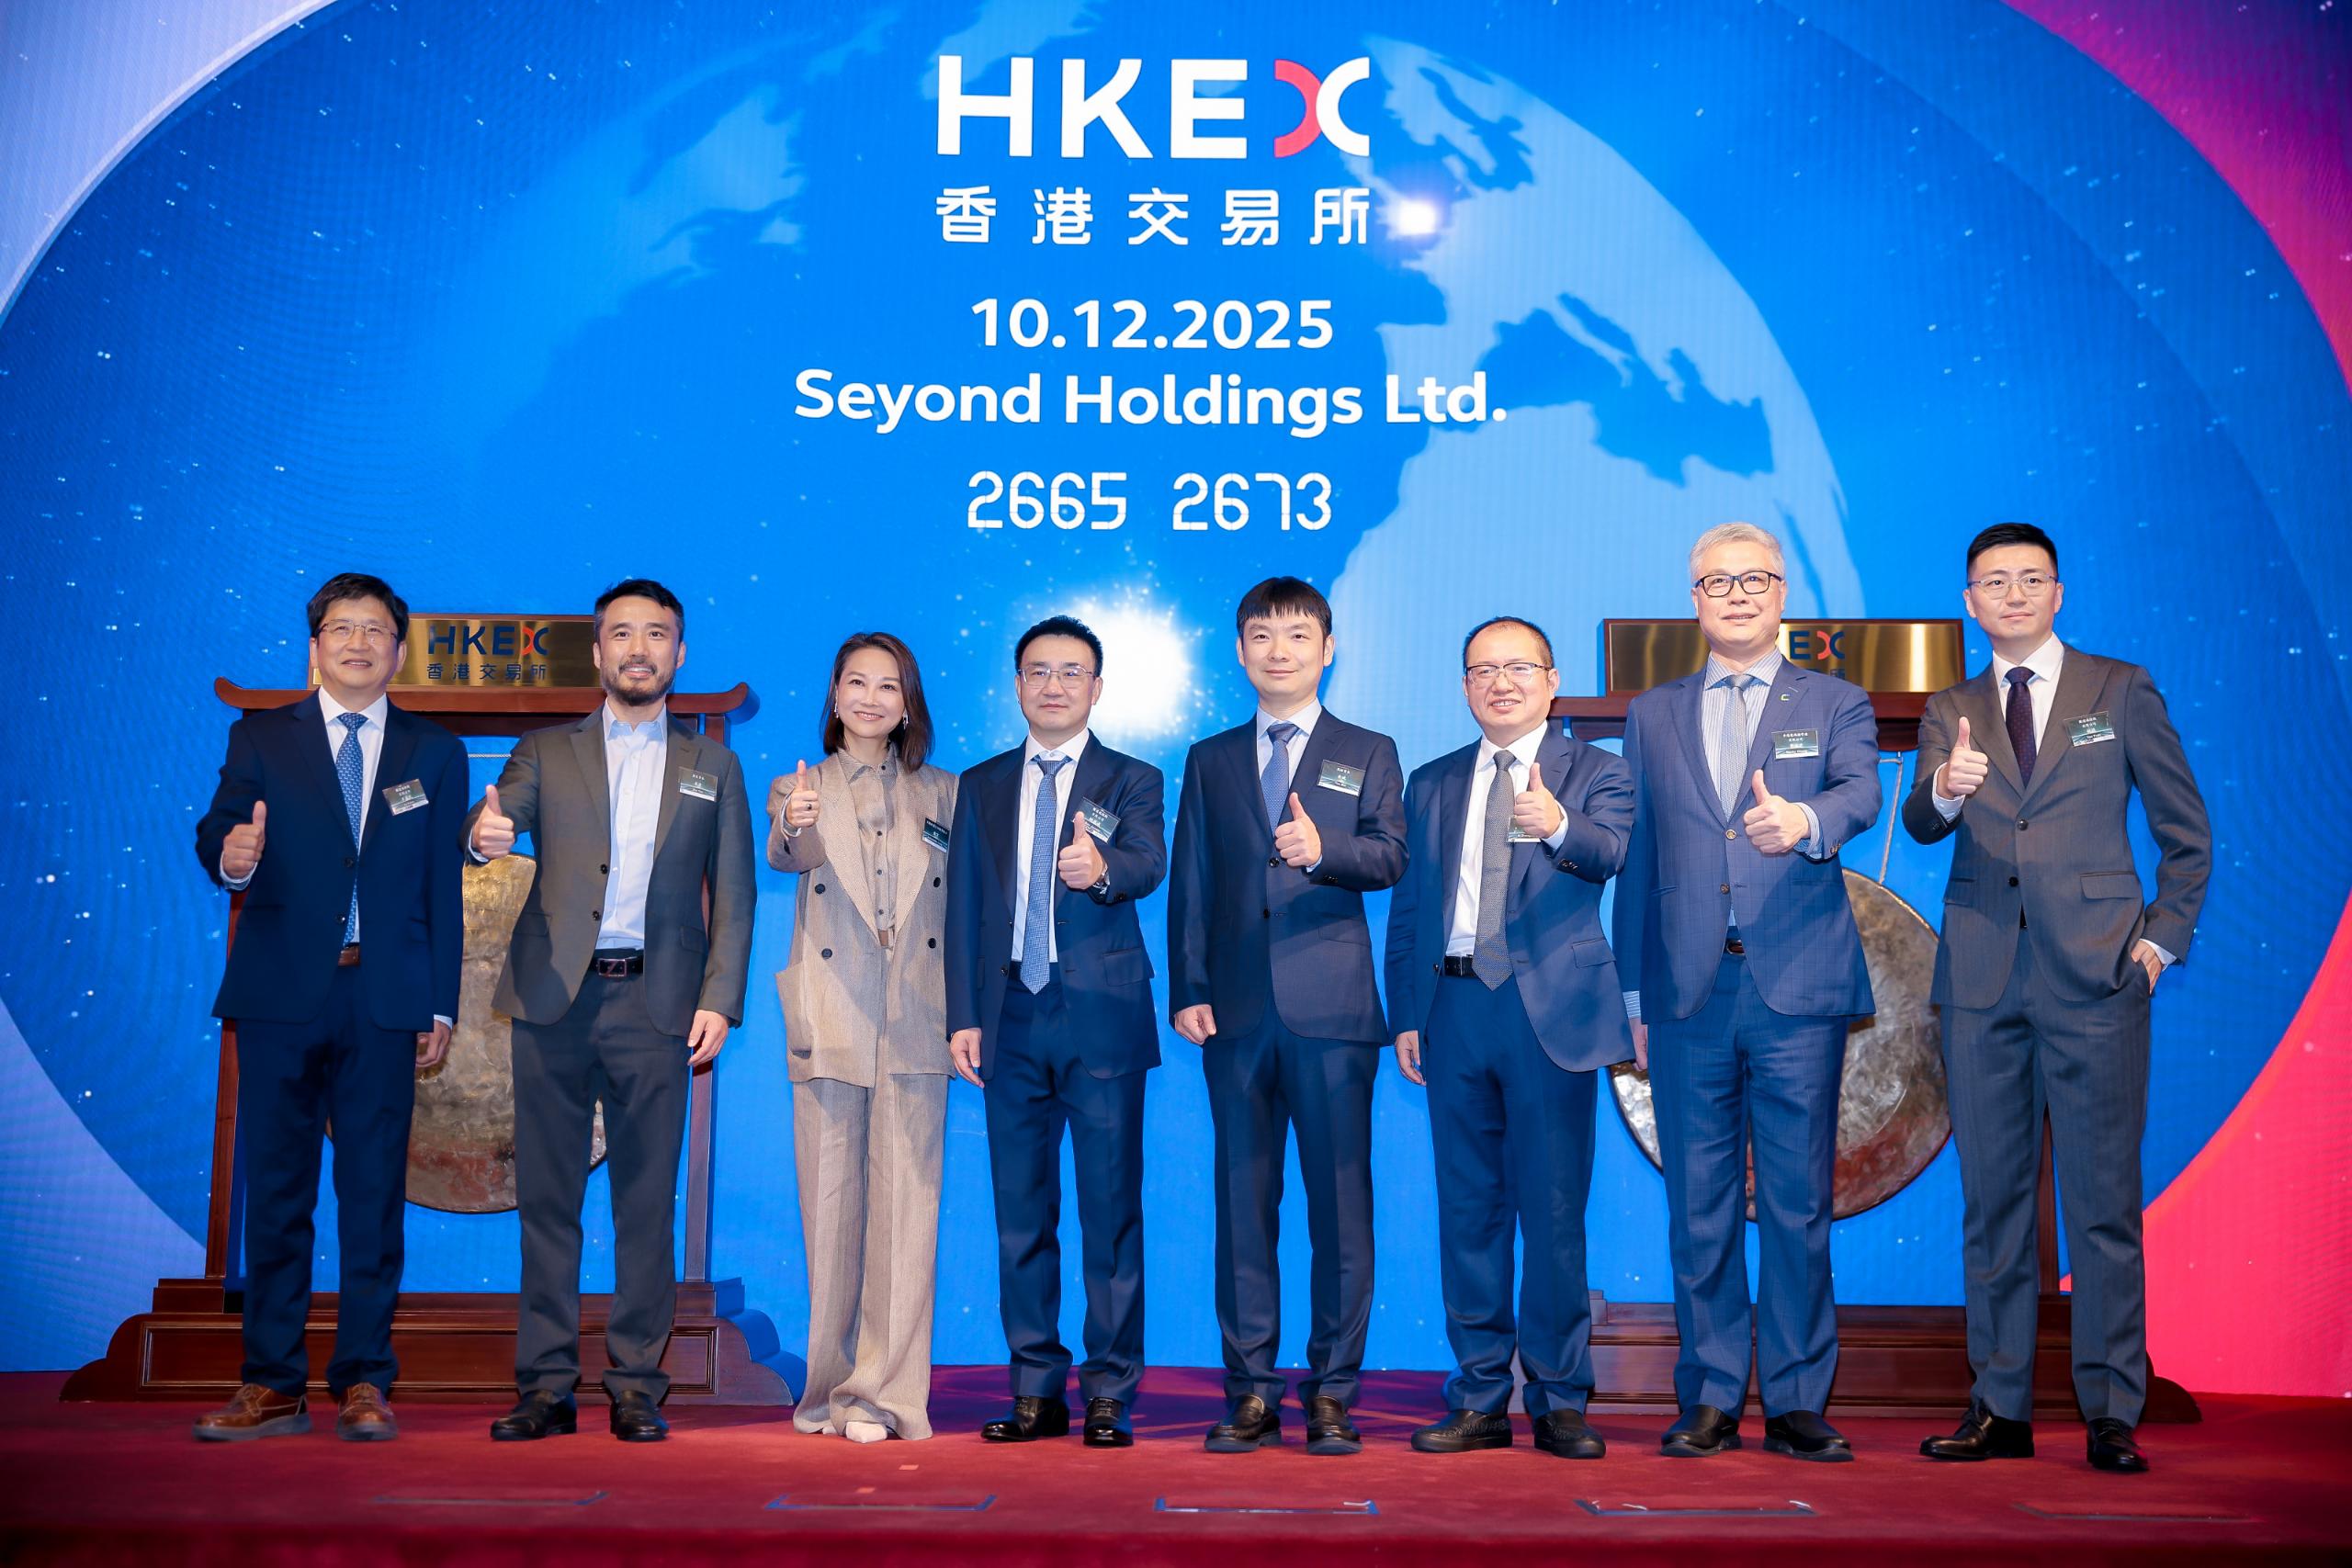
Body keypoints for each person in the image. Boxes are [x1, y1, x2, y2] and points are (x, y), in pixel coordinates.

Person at [1905, 522, 2210, 1475]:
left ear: (2058, 591)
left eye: (2030, 579)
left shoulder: (2119, 689)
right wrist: (1945, 790)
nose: (2013, 594)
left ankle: (2111, 1409)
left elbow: (2186, 832)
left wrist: (2159, 941)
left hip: (2098, 976)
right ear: (1969, 602)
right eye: (1993, 582)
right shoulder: (1950, 706)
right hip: (1981, 979)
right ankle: (1999, 1406)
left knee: (2102, 1203)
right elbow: (1918, 823)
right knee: (1991, 1203)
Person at [1612, 522, 1880, 1462]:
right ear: (1694, 599)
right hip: (1686, 994)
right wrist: (1634, 998)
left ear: (1781, 591)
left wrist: (1804, 818)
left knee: (1799, 1204)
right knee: (1699, 1207)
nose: (1735, 595)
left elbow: (1861, 794)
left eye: (1752, 579)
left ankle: (1799, 1400)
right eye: (1716, 582)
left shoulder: (1835, 700)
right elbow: (1638, 861)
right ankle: (1712, 1395)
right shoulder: (1653, 713)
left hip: (1796, 986)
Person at [466, 579, 755, 1443]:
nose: (638, 649)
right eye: (622, 633)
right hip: (553, 999)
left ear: (679, 653)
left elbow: (734, 895)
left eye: (656, 634)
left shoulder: (714, 766)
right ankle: (545, 1386)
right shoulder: (543, 750)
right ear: (597, 652)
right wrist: (484, 834)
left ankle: (635, 1383)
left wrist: (721, 998)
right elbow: (499, 818)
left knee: (645, 1205)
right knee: (547, 1203)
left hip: (658, 1003)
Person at [191, 571, 466, 1443]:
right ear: (315, 646)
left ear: (398, 650)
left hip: (385, 1000)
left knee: (373, 1194)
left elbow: (443, 889)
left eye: (375, 630)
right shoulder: (262, 735)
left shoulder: (434, 750)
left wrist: (442, 1005)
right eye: (341, 628)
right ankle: (272, 1381)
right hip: (280, 996)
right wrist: (232, 855)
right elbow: (218, 829)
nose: (357, 643)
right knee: (278, 1191)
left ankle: (364, 1379)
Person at [1382, 615, 1631, 1460]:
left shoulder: (1598, 770)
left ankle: (1559, 1399)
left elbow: (1610, 852)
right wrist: (1406, 1013)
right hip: (1452, 1009)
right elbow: (1411, 908)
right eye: (1483, 669)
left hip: (1547, 1015)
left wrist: (1558, 822)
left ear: (1552, 681)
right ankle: (1481, 1395)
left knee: (1553, 1212)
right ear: (1464, 686)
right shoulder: (1433, 780)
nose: (1501, 682)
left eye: (1519, 667)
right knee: (1469, 1212)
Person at [1168, 577, 1406, 1456]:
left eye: (1298, 634)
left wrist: (1324, 848)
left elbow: (1392, 855)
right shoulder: (1210, 758)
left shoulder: (1367, 749)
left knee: (1341, 1208)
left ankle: (1334, 1391)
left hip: (1333, 1012)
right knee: (1243, 1204)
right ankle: (1251, 1391)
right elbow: (1192, 880)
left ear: (1327, 648)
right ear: (1240, 651)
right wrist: (1187, 987)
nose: (1280, 650)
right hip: (1232, 1016)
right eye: (1262, 635)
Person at [944, 615, 1167, 1449]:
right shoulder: (981, 783)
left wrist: (1102, 871)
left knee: (1110, 1214)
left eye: (1072, 672)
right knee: (1020, 1216)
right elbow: (963, 905)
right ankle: (1036, 1386)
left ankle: (1109, 1389)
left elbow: (1149, 862)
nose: (1054, 685)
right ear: (1016, 685)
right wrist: (962, 1015)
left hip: (1100, 1017)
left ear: (1097, 687)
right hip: (1009, 1016)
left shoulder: (1132, 777)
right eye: (1038, 671)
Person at [767, 632, 957, 1443]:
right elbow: (787, 853)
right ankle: (826, 1390)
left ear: (908, 702)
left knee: (907, 1213)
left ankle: (884, 1396)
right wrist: (794, 821)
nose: (871, 698)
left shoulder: (945, 791)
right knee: (831, 1210)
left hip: (918, 1015)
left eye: (888, 685)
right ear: (835, 693)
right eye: (857, 682)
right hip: (832, 1012)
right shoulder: (798, 786)